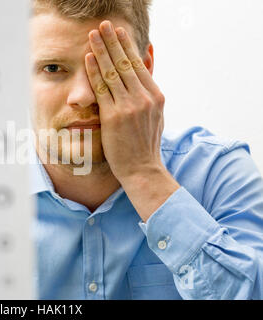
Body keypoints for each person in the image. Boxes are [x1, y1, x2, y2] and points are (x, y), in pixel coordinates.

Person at [28, 0, 263, 299]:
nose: (84, 96)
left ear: (146, 67)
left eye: (106, 67)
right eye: (53, 68)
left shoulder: (218, 174)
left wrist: (143, 173)